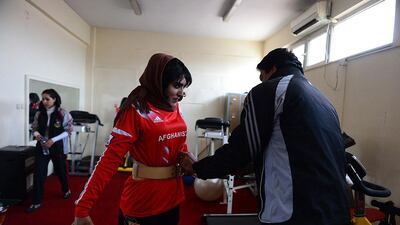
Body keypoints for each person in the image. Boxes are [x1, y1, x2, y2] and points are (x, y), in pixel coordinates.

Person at [181, 48, 350, 225]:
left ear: (272, 69)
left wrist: (199, 168)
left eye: (262, 76)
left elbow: (241, 150)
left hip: (296, 212)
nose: (262, 81)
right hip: (337, 210)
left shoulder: (271, 89)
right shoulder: (323, 99)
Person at [72, 53, 192, 225]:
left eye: (184, 87)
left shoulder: (173, 106)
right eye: (177, 86)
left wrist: (186, 156)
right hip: (143, 201)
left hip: (173, 198)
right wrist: (82, 207)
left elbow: (178, 141)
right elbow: (109, 160)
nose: (181, 94)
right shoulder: (136, 110)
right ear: (160, 81)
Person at [27, 89, 73, 213]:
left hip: (57, 146)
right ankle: (37, 201)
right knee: (39, 173)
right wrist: (37, 135)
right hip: (42, 146)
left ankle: (65, 189)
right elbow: (34, 128)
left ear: (55, 99)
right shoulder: (39, 113)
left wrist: (53, 140)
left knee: (60, 170)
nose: (44, 101)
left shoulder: (63, 113)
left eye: (47, 99)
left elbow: (68, 130)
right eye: (43, 99)